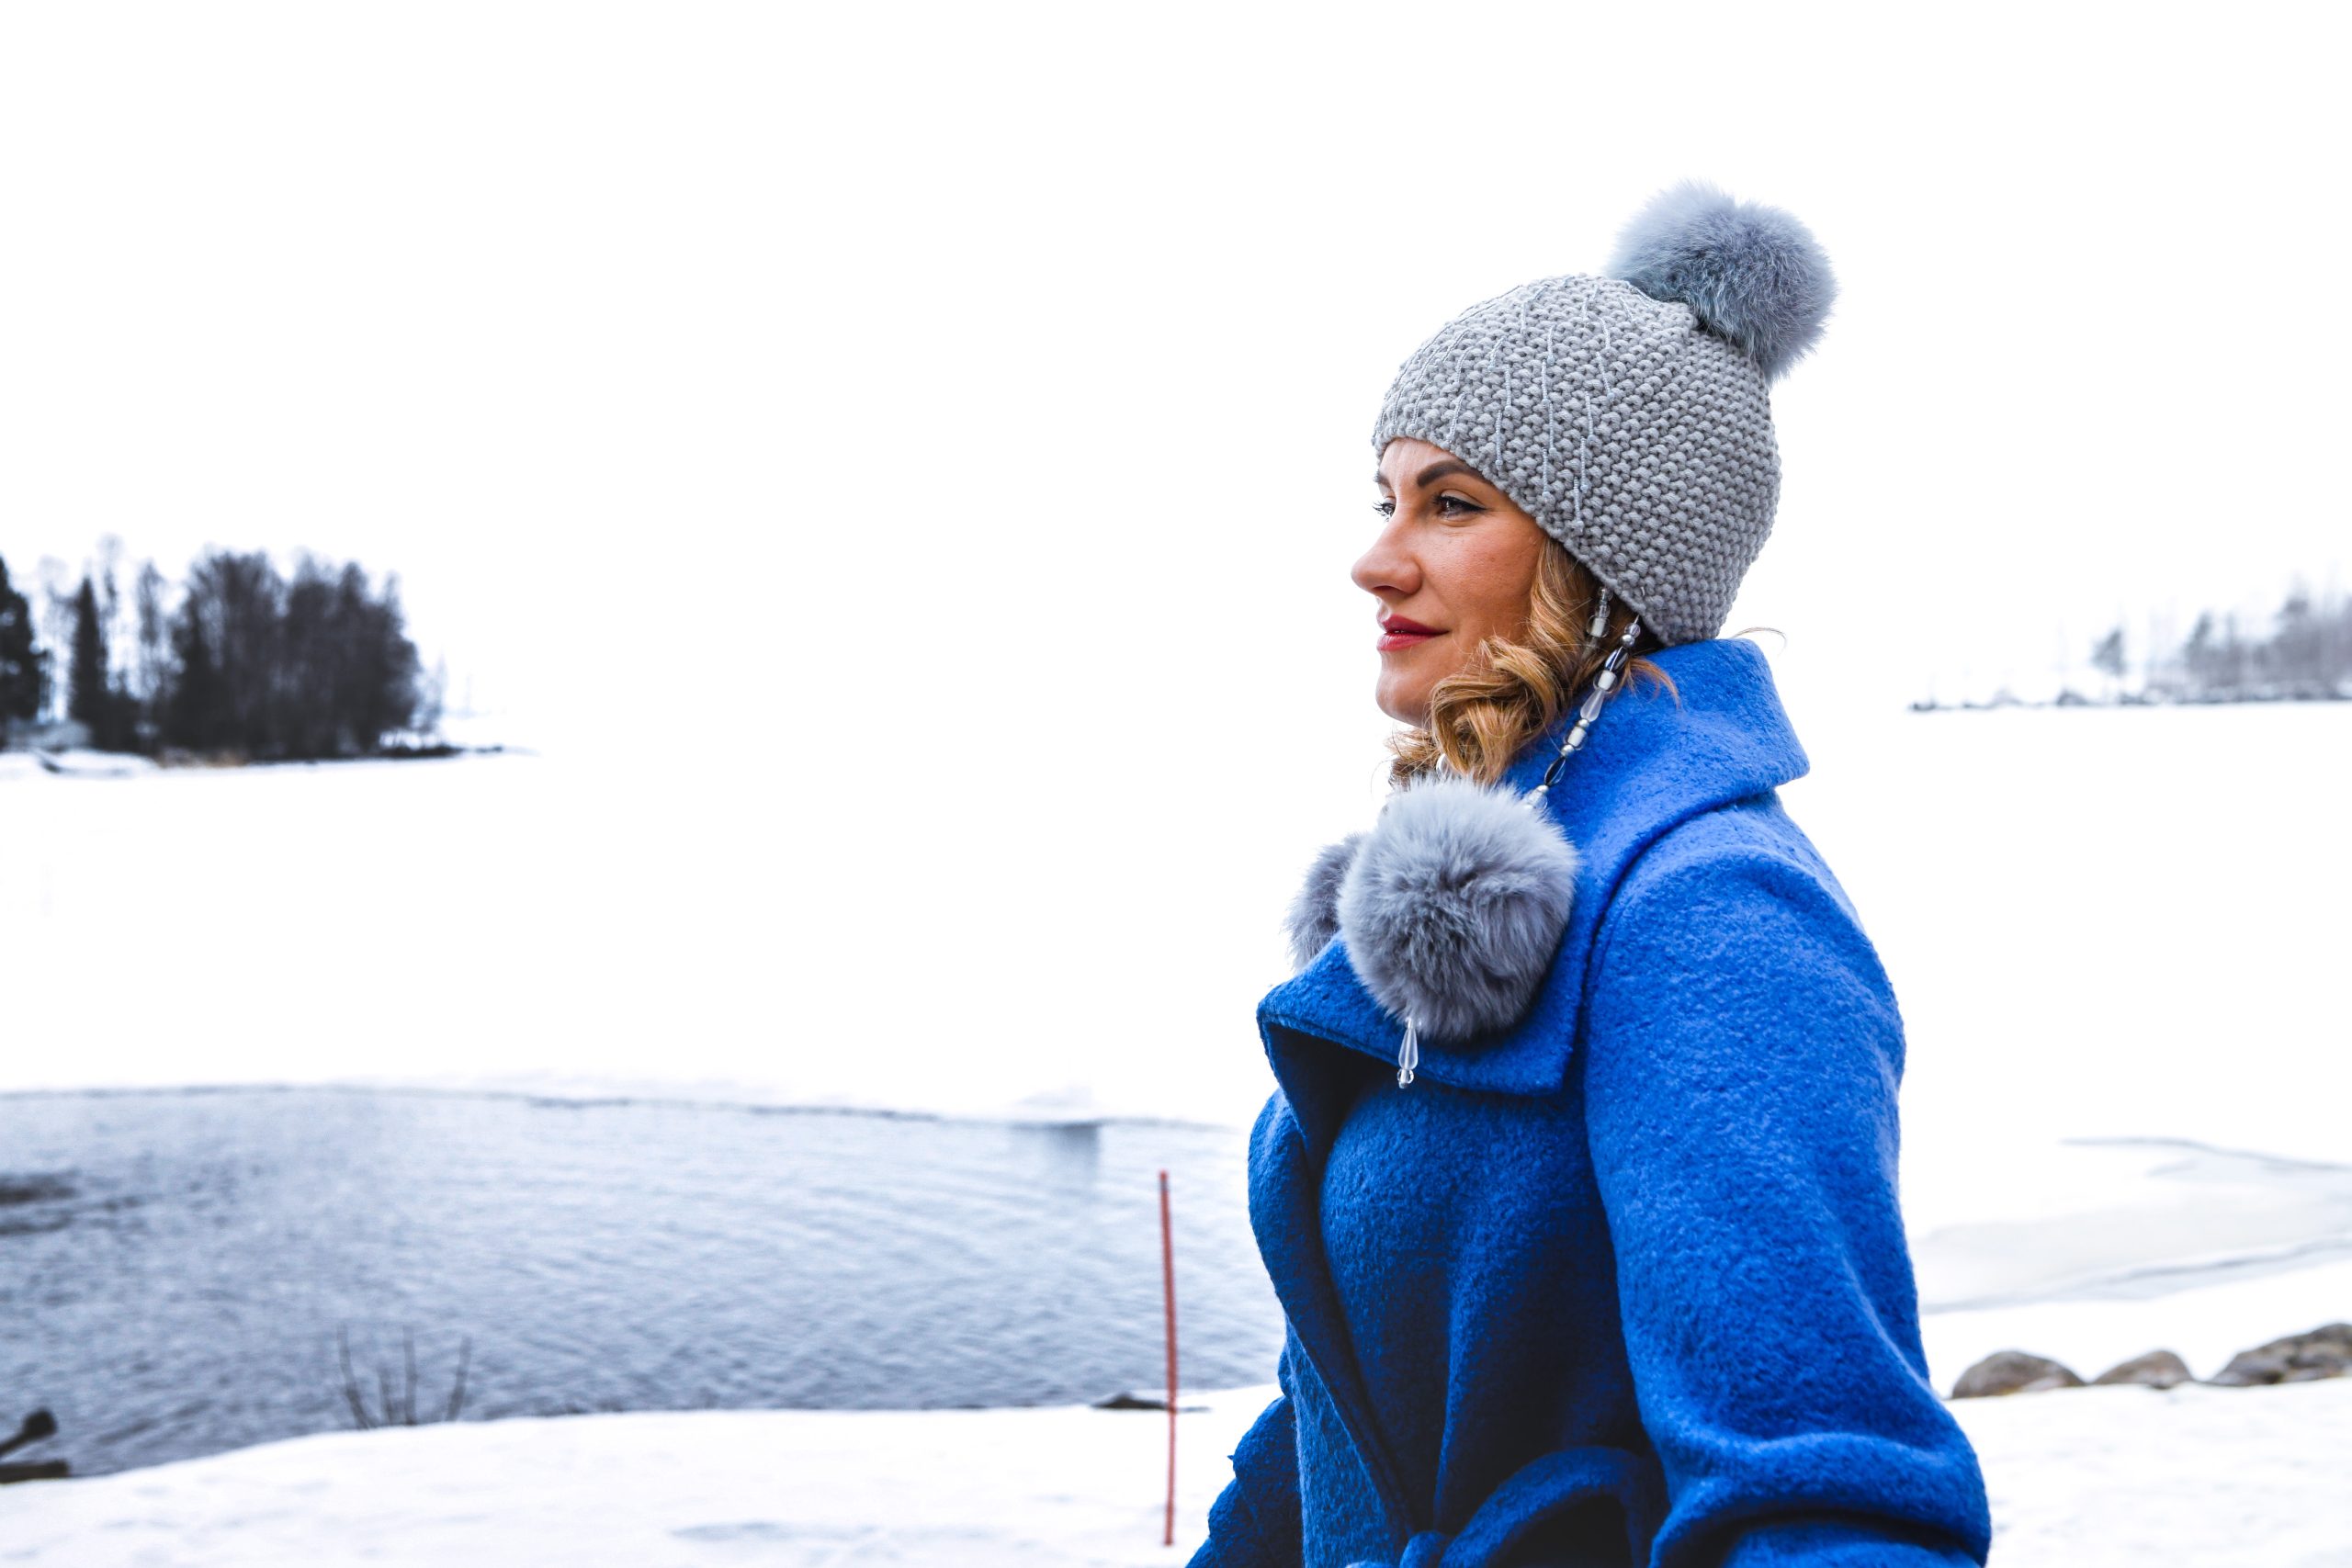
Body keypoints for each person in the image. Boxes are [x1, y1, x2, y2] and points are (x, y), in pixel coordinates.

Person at [1189, 182, 1994, 1568]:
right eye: (1386, 498)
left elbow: (1825, 1497)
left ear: (1601, 559)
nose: (1376, 559)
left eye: (1450, 504)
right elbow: (1356, 1396)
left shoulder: (1709, 914)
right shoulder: (1485, 879)